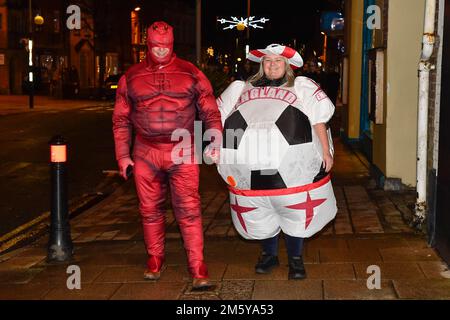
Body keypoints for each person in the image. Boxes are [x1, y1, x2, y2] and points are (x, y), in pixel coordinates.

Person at [112, 21, 222, 289]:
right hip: (146, 150)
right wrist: (122, 156)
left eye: (165, 46)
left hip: (182, 148)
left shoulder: (190, 72)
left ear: (172, 44)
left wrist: (215, 139)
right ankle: (155, 258)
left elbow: (210, 110)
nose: (161, 51)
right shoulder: (131, 76)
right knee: (149, 209)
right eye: (156, 46)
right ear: (148, 45)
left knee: (189, 209)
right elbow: (120, 119)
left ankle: (197, 264)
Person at [216, 44, 337, 280]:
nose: (272, 65)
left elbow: (318, 121)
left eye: (278, 61)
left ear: (287, 65)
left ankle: (296, 260)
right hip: (248, 167)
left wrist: (325, 150)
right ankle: (269, 255)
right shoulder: (241, 88)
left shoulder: (301, 87)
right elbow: (219, 120)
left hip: (293, 169)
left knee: (295, 211)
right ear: (261, 64)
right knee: (260, 212)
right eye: (268, 61)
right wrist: (214, 148)